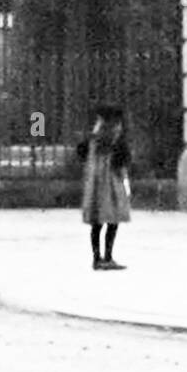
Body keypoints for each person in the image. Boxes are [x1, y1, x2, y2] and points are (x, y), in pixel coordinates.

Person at [76, 104, 132, 271]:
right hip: (112, 182)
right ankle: (107, 256)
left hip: (95, 182)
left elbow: (81, 153)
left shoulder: (93, 138)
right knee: (113, 219)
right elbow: (123, 160)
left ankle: (97, 258)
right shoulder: (115, 137)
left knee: (97, 222)